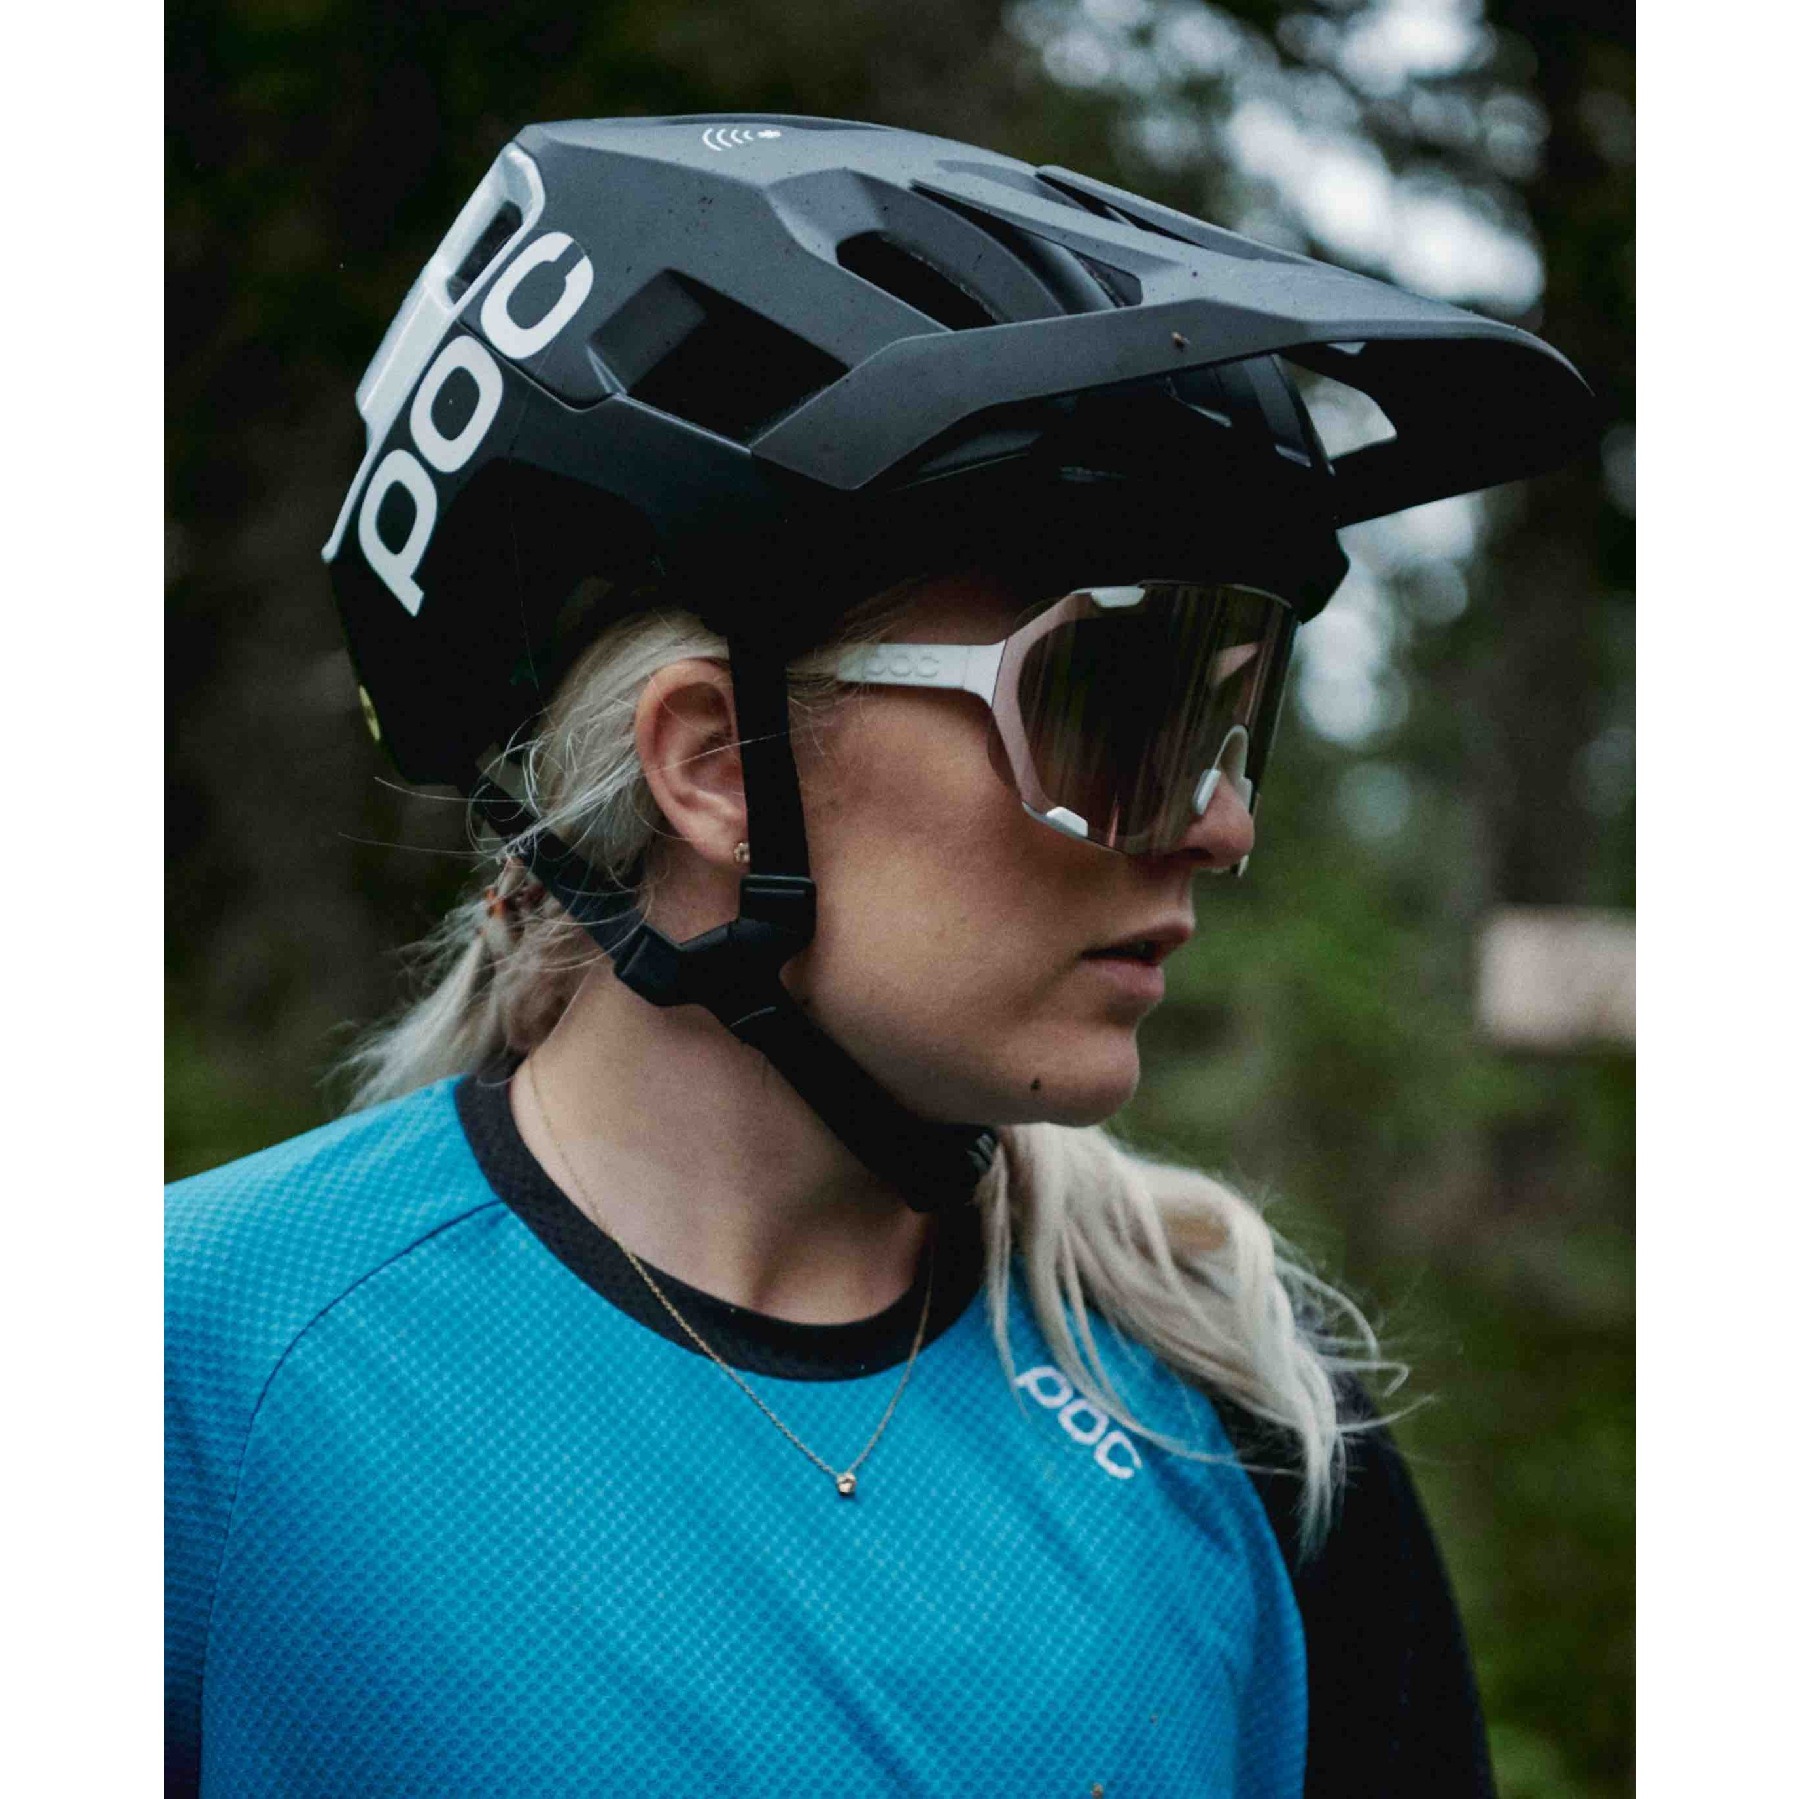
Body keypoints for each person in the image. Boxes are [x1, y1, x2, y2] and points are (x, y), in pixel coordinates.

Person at [166, 116, 1591, 1797]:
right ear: (716, 767)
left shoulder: (1243, 1418)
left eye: (1235, 717)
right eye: (1118, 703)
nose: (1221, 824)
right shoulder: (191, 1368)